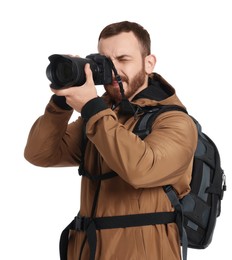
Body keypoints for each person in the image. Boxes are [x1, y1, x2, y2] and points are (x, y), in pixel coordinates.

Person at [24, 21, 198, 260]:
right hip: (89, 251)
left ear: (149, 63)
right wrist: (61, 103)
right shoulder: (100, 118)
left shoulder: (176, 122)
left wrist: (92, 108)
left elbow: (141, 169)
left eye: (123, 59)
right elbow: (40, 154)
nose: (113, 70)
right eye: (105, 61)